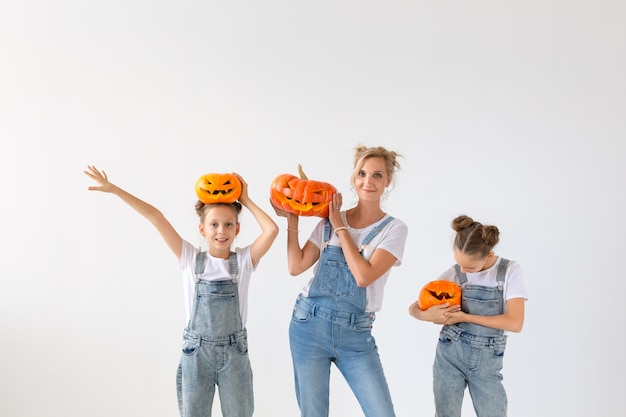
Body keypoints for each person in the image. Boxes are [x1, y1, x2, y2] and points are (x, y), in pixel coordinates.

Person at [84, 165, 278, 417]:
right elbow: (156, 217)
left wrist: (246, 199)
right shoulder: (190, 258)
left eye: (228, 224)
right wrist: (114, 189)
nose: (221, 230)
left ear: (237, 229)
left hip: (234, 354)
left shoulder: (243, 261)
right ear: (202, 229)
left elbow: (271, 230)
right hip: (197, 355)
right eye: (214, 224)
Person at [272, 145, 408, 417]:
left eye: (377, 176)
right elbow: (295, 266)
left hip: (355, 335)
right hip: (308, 325)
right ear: (353, 178)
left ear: (388, 182)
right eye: (362, 173)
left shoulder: (394, 229)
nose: (368, 181)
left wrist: (340, 227)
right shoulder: (328, 219)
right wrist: (293, 220)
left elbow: (363, 276)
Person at [409, 215, 527, 417]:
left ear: (489, 255)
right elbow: (414, 308)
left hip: (487, 361)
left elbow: (515, 323)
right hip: (449, 355)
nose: (462, 271)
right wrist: (429, 315)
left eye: (470, 267)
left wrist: (464, 317)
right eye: (458, 263)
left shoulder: (508, 271)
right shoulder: (455, 272)